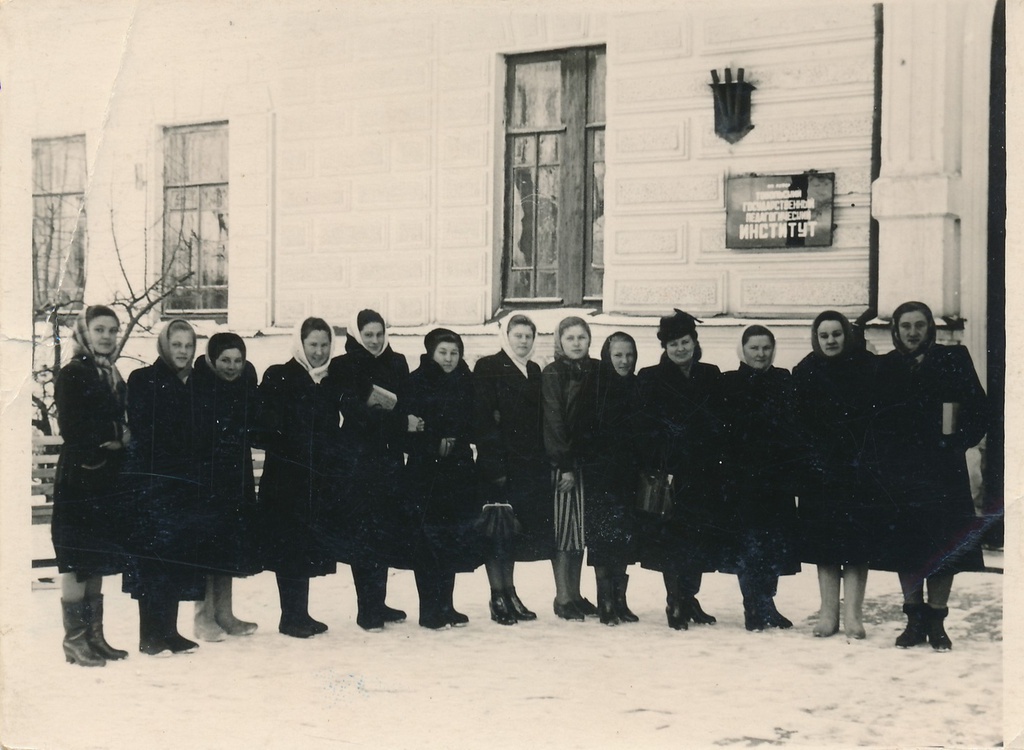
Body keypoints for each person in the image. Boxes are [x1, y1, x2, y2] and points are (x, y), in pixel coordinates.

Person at [874, 301, 987, 651]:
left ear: (930, 328)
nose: (912, 333)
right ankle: (913, 620)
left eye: (919, 325)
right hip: (901, 472)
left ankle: (937, 621)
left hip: (943, 471)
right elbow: (875, 419)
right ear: (895, 330)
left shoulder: (953, 359)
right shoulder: (885, 366)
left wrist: (956, 443)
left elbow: (980, 409)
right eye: (905, 326)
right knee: (907, 547)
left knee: (943, 546)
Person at [792, 311, 878, 639]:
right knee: (825, 545)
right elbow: (797, 423)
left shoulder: (867, 367)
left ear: (847, 335)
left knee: (856, 545)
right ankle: (828, 613)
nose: (830, 341)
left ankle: (854, 615)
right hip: (821, 473)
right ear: (816, 339)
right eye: (824, 335)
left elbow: (876, 418)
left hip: (858, 471)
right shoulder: (805, 371)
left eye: (836, 334)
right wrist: (812, 460)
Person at [52, 305, 130, 666]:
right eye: (99, 329)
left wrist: (120, 436)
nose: (107, 337)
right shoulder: (73, 373)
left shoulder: (111, 373)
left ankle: (95, 637)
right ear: (84, 332)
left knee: (96, 558)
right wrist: (115, 434)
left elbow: (124, 424)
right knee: (76, 560)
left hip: (104, 480)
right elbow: (73, 427)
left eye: (113, 330)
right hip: (79, 479)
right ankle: (74, 640)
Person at [636, 309, 724, 630]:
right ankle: (674, 599)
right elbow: (642, 426)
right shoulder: (649, 377)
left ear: (695, 342)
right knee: (670, 539)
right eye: (673, 344)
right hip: (666, 472)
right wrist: (662, 456)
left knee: (698, 536)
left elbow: (719, 422)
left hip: (702, 471)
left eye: (685, 342)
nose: (680, 349)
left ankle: (689, 597)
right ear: (664, 347)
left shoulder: (711, 374)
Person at [330, 309, 417, 631]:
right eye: (368, 335)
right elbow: (354, 412)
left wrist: (397, 418)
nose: (375, 340)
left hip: (389, 459)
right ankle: (366, 608)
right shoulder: (343, 365)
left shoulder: (397, 362)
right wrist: (399, 421)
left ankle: (379, 602)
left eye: (379, 334)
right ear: (356, 334)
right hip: (358, 460)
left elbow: (406, 403)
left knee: (384, 530)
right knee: (364, 533)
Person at [123, 319, 205, 655]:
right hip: (152, 485)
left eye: (188, 345)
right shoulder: (143, 379)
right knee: (152, 560)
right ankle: (149, 635)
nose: (183, 351)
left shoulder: (196, 382)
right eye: (177, 345)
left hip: (183, 485)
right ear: (164, 346)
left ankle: (170, 631)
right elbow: (145, 430)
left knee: (176, 557)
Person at [257, 318, 343, 638]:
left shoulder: (329, 381)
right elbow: (266, 425)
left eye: (324, 345)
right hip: (286, 478)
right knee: (288, 546)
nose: (319, 351)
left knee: (304, 546)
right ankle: (289, 617)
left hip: (315, 478)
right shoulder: (279, 375)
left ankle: (301, 613)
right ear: (300, 344)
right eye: (313, 345)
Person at [473, 314, 554, 625]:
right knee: (496, 532)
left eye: (528, 336)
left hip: (528, 467)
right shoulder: (488, 366)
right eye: (517, 335)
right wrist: (495, 466)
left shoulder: (533, 370)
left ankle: (510, 593)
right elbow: (483, 419)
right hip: (500, 465)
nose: (523, 341)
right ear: (506, 337)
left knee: (513, 534)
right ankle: (497, 596)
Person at [718, 325, 801, 631]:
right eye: (754, 348)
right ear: (743, 350)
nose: (761, 354)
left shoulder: (783, 380)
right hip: (743, 480)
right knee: (749, 546)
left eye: (766, 348)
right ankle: (752, 606)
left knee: (773, 545)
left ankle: (767, 602)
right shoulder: (729, 382)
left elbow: (792, 426)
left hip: (776, 478)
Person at [402, 328, 481, 629]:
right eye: (443, 352)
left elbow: (474, 421)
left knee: (452, 538)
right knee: (428, 541)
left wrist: (458, 437)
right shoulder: (416, 381)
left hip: (458, 471)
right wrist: (433, 442)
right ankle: (429, 609)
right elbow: (407, 429)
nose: (449, 359)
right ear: (431, 353)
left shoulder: (466, 380)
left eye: (454, 353)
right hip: (425, 473)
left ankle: (447, 605)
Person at [191, 333, 262, 641]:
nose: (232, 367)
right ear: (212, 359)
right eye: (225, 360)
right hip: (206, 476)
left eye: (238, 361)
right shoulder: (199, 385)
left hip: (236, 473)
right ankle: (203, 617)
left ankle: (224, 613)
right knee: (207, 545)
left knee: (228, 542)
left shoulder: (246, 384)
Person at [541, 316, 601, 621]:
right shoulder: (554, 372)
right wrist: (564, 465)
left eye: (581, 337)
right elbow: (554, 420)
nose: (576, 343)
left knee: (579, 533)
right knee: (564, 531)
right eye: (570, 338)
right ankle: (562, 596)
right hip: (563, 464)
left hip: (588, 463)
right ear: (560, 342)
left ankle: (576, 594)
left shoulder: (596, 369)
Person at [588, 332, 642, 626]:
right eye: (618, 355)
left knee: (624, 538)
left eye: (629, 355)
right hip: (601, 477)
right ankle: (605, 602)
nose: (624, 361)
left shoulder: (638, 385)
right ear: (607, 357)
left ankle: (620, 600)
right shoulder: (596, 387)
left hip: (629, 475)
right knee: (602, 540)